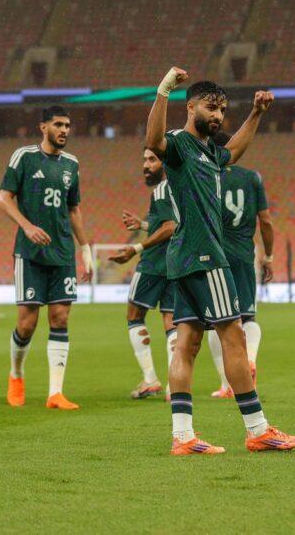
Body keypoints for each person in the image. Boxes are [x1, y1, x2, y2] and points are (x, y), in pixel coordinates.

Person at [146, 67, 295, 455]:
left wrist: (256, 114)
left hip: (184, 258)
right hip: (205, 256)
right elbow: (153, 140)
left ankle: (183, 437)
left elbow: (233, 151)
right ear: (191, 107)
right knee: (234, 337)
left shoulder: (208, 152)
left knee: (186, 344)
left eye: (221, 110)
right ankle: (258, 429)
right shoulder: (180, 144)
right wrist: (164, 89)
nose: (217, 115)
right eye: (210, 107)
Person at [0, 106, 93, 410]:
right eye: (58, 124)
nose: (64, 130)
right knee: (27, 324)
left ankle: (55, 393)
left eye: (68, 125)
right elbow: (4, 198)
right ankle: (16, 374)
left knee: (61, 317)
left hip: (62, 252)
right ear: (43, 127)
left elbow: (73, 209)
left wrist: (85, 249)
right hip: (30, 254)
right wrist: (27, 226)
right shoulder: (24, 157)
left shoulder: (71, 164)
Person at [206, 132, 274, 399]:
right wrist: (268, 257)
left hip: (216, 254)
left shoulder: (207, 175)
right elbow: (265, 221)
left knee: (216, 320)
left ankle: (227, 384)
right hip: (246, 254)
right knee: (248, 317)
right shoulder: (252, 178)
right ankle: (250, 360)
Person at [108, 148, 178, 400]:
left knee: (134, 315)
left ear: (165, 163)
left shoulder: (161, 189)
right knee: (171, 321)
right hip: (176, 264)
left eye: (152, 160)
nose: (145, 165)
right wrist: (144, 225)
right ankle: (174, 386)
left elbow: (169, 227)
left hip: (154, 264)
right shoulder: (183, 186)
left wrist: (136, 248)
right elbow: (173, 223)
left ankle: (150, 379)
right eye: (144, 160)